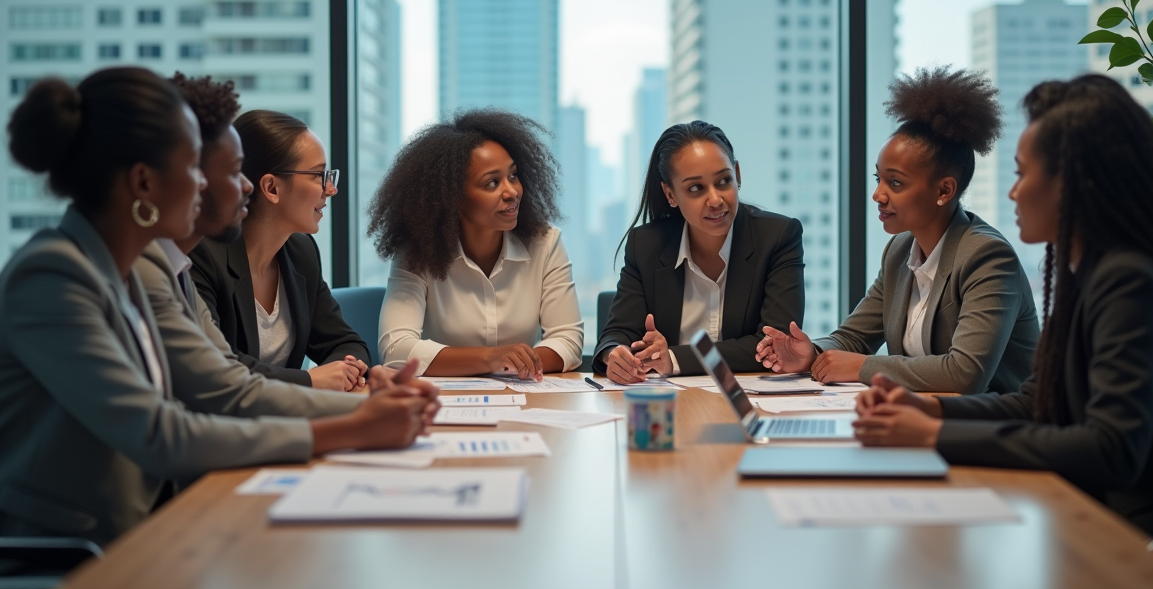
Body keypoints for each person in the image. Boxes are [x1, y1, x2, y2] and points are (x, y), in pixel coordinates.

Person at [0, 68, 438, 546]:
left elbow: (229, 386)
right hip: (71, 556)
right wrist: (351, 425)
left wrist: (361, 412)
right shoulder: (53, 275)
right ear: (144, 182)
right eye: (196, 169)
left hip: (151, 526)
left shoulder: (161, 268)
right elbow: (159, 434)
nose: (228, 187)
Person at [853, 74, 1153, 538]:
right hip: (1090, 518)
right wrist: (926, 411)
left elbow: (1111, 448)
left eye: (1021, 174)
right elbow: (1037, 401)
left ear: (1076, 184)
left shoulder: (1129, 280)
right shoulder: (1089, 272)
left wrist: (933, 436)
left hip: (1147, 540)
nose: (1013, 192)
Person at [755, 67, 1039, 394]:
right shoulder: (901, 249)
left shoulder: (986, 257)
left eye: (896, 182)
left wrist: (862, 367)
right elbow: (855, 337)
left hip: (993, 429)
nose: (878, 195)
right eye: (879, 179)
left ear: (944, 191)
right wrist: (811, 352)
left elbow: (966, 373)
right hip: (925, 419)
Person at [131, 74, 369, 424]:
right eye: (319, 176)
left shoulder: (299, 252)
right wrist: (327, 394)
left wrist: (349, 379)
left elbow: (227, 379)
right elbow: (223, 381)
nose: (244, 185)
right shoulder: (187, 259)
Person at [371, 109, 584, 379]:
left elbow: (568, 341)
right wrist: (492, 359)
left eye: (514, 175)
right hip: (442, 407)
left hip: (528, 401)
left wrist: (509, 361)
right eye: (492, 183)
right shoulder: (417, 252)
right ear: (452, 198)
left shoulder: (545, 242)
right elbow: (396, 349)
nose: (511, 192)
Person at [593, 120, 804, 382]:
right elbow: (618, 332)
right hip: (669, 403)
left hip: (748, 403)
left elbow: (774, 344)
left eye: (724, 181)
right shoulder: (645, 244)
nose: (715, 200)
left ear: (737, 175)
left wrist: (673, 358)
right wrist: (616, 354)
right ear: (670, 194)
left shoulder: (778, 237)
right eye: (696, 188)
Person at [189, 110, 370, 391]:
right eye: (319, 176)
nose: (331, 189)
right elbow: (215, 365)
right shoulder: (202, 255)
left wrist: (345, 370)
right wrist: (309, 380)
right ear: (271, 187)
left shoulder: (301, 252)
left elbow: (346, 343)